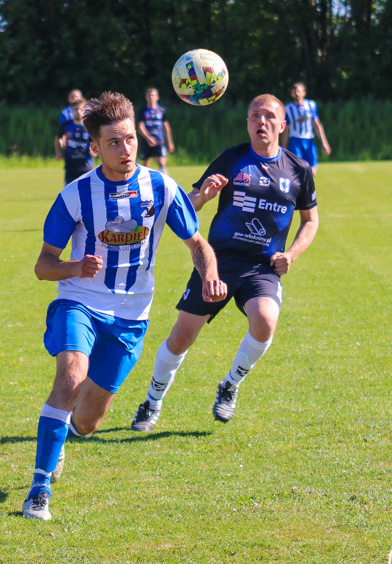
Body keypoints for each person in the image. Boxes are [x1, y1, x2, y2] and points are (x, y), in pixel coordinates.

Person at [23, 91, 227, 521]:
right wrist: (75, 267)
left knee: (90, 420)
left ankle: (62, 441)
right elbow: (43, 267)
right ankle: (39, 488)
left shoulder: (161, 187)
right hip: (81, 302)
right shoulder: (76, 196)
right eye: (113, 142)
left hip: (132, 315)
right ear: (94, 147)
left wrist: (209, 272)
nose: (126, 149)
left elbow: (197, 243)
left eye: (130, 139)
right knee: (71, 376)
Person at [130, 94, 319, 432]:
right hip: (216, 262)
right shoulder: (231, 160)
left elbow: (310, 220)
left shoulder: (298, 170)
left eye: (269, 117)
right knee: (181, 337)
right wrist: (203, 196)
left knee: (264, 321)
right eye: (254, 115)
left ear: (283, 125)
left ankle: (230, 384)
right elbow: (186, 207)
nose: (261, 122)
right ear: (247, 122)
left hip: (262, 267)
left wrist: (291, 254)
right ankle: (152, 401)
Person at [281, 82, 331, 176]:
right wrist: (284, 146)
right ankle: (300, 190)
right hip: (295, 140)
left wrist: (324, 142)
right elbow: (285, 129)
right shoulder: (288, 108)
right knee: (298, 169)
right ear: (291, 94)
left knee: (312, 171)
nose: (296, 93)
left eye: (298, 91)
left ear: (304, 93)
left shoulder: (311, 105)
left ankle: (309, 190)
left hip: (309, 140)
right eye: (294, 91)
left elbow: (317, 125)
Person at [137, 87, 175, 173]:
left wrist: (169, 142)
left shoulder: (161, 110)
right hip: (146, 141)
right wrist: (148, 138)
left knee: (162, 164)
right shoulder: (142, 111)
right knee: (145, 166)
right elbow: (140, 126)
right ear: (146, 97)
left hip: (159, 140)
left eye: (152, 95)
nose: (151, 97)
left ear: (157, 97)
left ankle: (164, 183)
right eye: (149, 95)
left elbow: (166, 126)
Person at [58, 99, 95, 184]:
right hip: (70, 168)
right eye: (76, 109)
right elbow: (59, 137)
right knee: (69, 195)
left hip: (86, 167)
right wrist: (60, 145)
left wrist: (94, 152)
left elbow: (96, 144)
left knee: (86, 195)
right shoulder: (66, 125)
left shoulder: (90, 127)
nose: (78, 112)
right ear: (72, 110)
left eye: (81, 109)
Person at [54, 89, 84, 160]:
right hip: (71, 141)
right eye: (72, 97)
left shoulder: (88, 110)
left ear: (81, 98)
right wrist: (62, 141)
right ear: (69, 99)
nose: (74, 98)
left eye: (75, 96)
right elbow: (62, 131)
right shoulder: (65, 113)